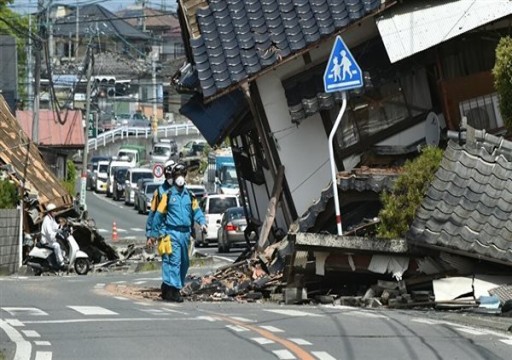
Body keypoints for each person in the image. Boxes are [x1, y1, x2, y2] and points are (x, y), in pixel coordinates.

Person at [151, 162, 207, 302]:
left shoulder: (190, 195)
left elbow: (197, 211)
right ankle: (175, 290)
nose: (180, 178)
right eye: (178, 175)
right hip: (172, 233)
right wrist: (153, 234)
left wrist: (203, 223)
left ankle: (170, 287)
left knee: (185, 262)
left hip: (185, 234)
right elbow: (158, 215)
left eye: (182, 175)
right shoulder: (168, 195)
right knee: (174, 261)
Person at [145, 159, 175, 246]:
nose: (170, 178)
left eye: (171, 175)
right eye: (168, 176)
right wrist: (149, 234)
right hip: (164, 233)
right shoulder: (159, 192)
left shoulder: (182, 191)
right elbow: (153, 214)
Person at [40, 203, 66, 269]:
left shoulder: (51, 218)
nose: (55, 212)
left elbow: (55, 227)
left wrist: (62, 228)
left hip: (51, 239)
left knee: (61, 244)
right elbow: (49, 233)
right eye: (54, 211)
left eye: (55, 210)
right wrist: (56, 234)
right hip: (46, 241)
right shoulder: (47, 220)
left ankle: (62, 259)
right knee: (56, 245)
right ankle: (61, 263)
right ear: (50, 212)